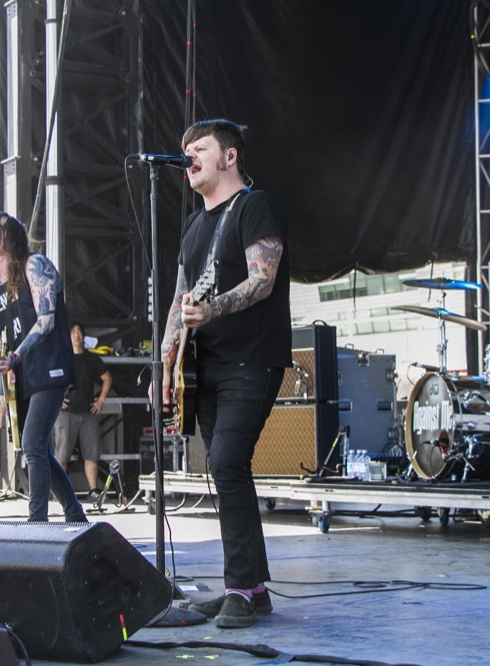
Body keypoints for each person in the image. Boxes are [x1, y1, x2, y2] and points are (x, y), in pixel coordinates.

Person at [156, 119, 291, 628]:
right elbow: (179, 297)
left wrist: (211, 311)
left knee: (228, 463)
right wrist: (164, 360)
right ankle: (252, 589)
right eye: (185, 150)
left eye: (199, 149)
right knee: (225, 471)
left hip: (252, 360)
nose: (189, 158)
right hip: (203, 366)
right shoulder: (194, 226)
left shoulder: (257, 206)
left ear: (229, 156)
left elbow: (263, 279)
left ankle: (242, 587)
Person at [0, 212, 86, 523]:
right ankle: (75, 514)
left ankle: (37, 520)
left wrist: (16, 356)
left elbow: (46, 319)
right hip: (21, 376)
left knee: (31, 443)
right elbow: (1, 347)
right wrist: (0, 400)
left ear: (12, 234)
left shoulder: (34, 265)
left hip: (48, 368)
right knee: (37, 449)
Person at [53, 322, 113, 500]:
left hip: (88, 413)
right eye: (72, 332)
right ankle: (62, 492)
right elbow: (50, 378)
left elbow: (107, 378)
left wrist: (101, 399)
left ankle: (93, 490)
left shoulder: (91, 358)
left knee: (91, 454)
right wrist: (57, 399)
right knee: (62, 455)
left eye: (79, 331)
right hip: (66, 413)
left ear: (83, 336)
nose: (76, 335)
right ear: (68, 336)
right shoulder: (62, 358)